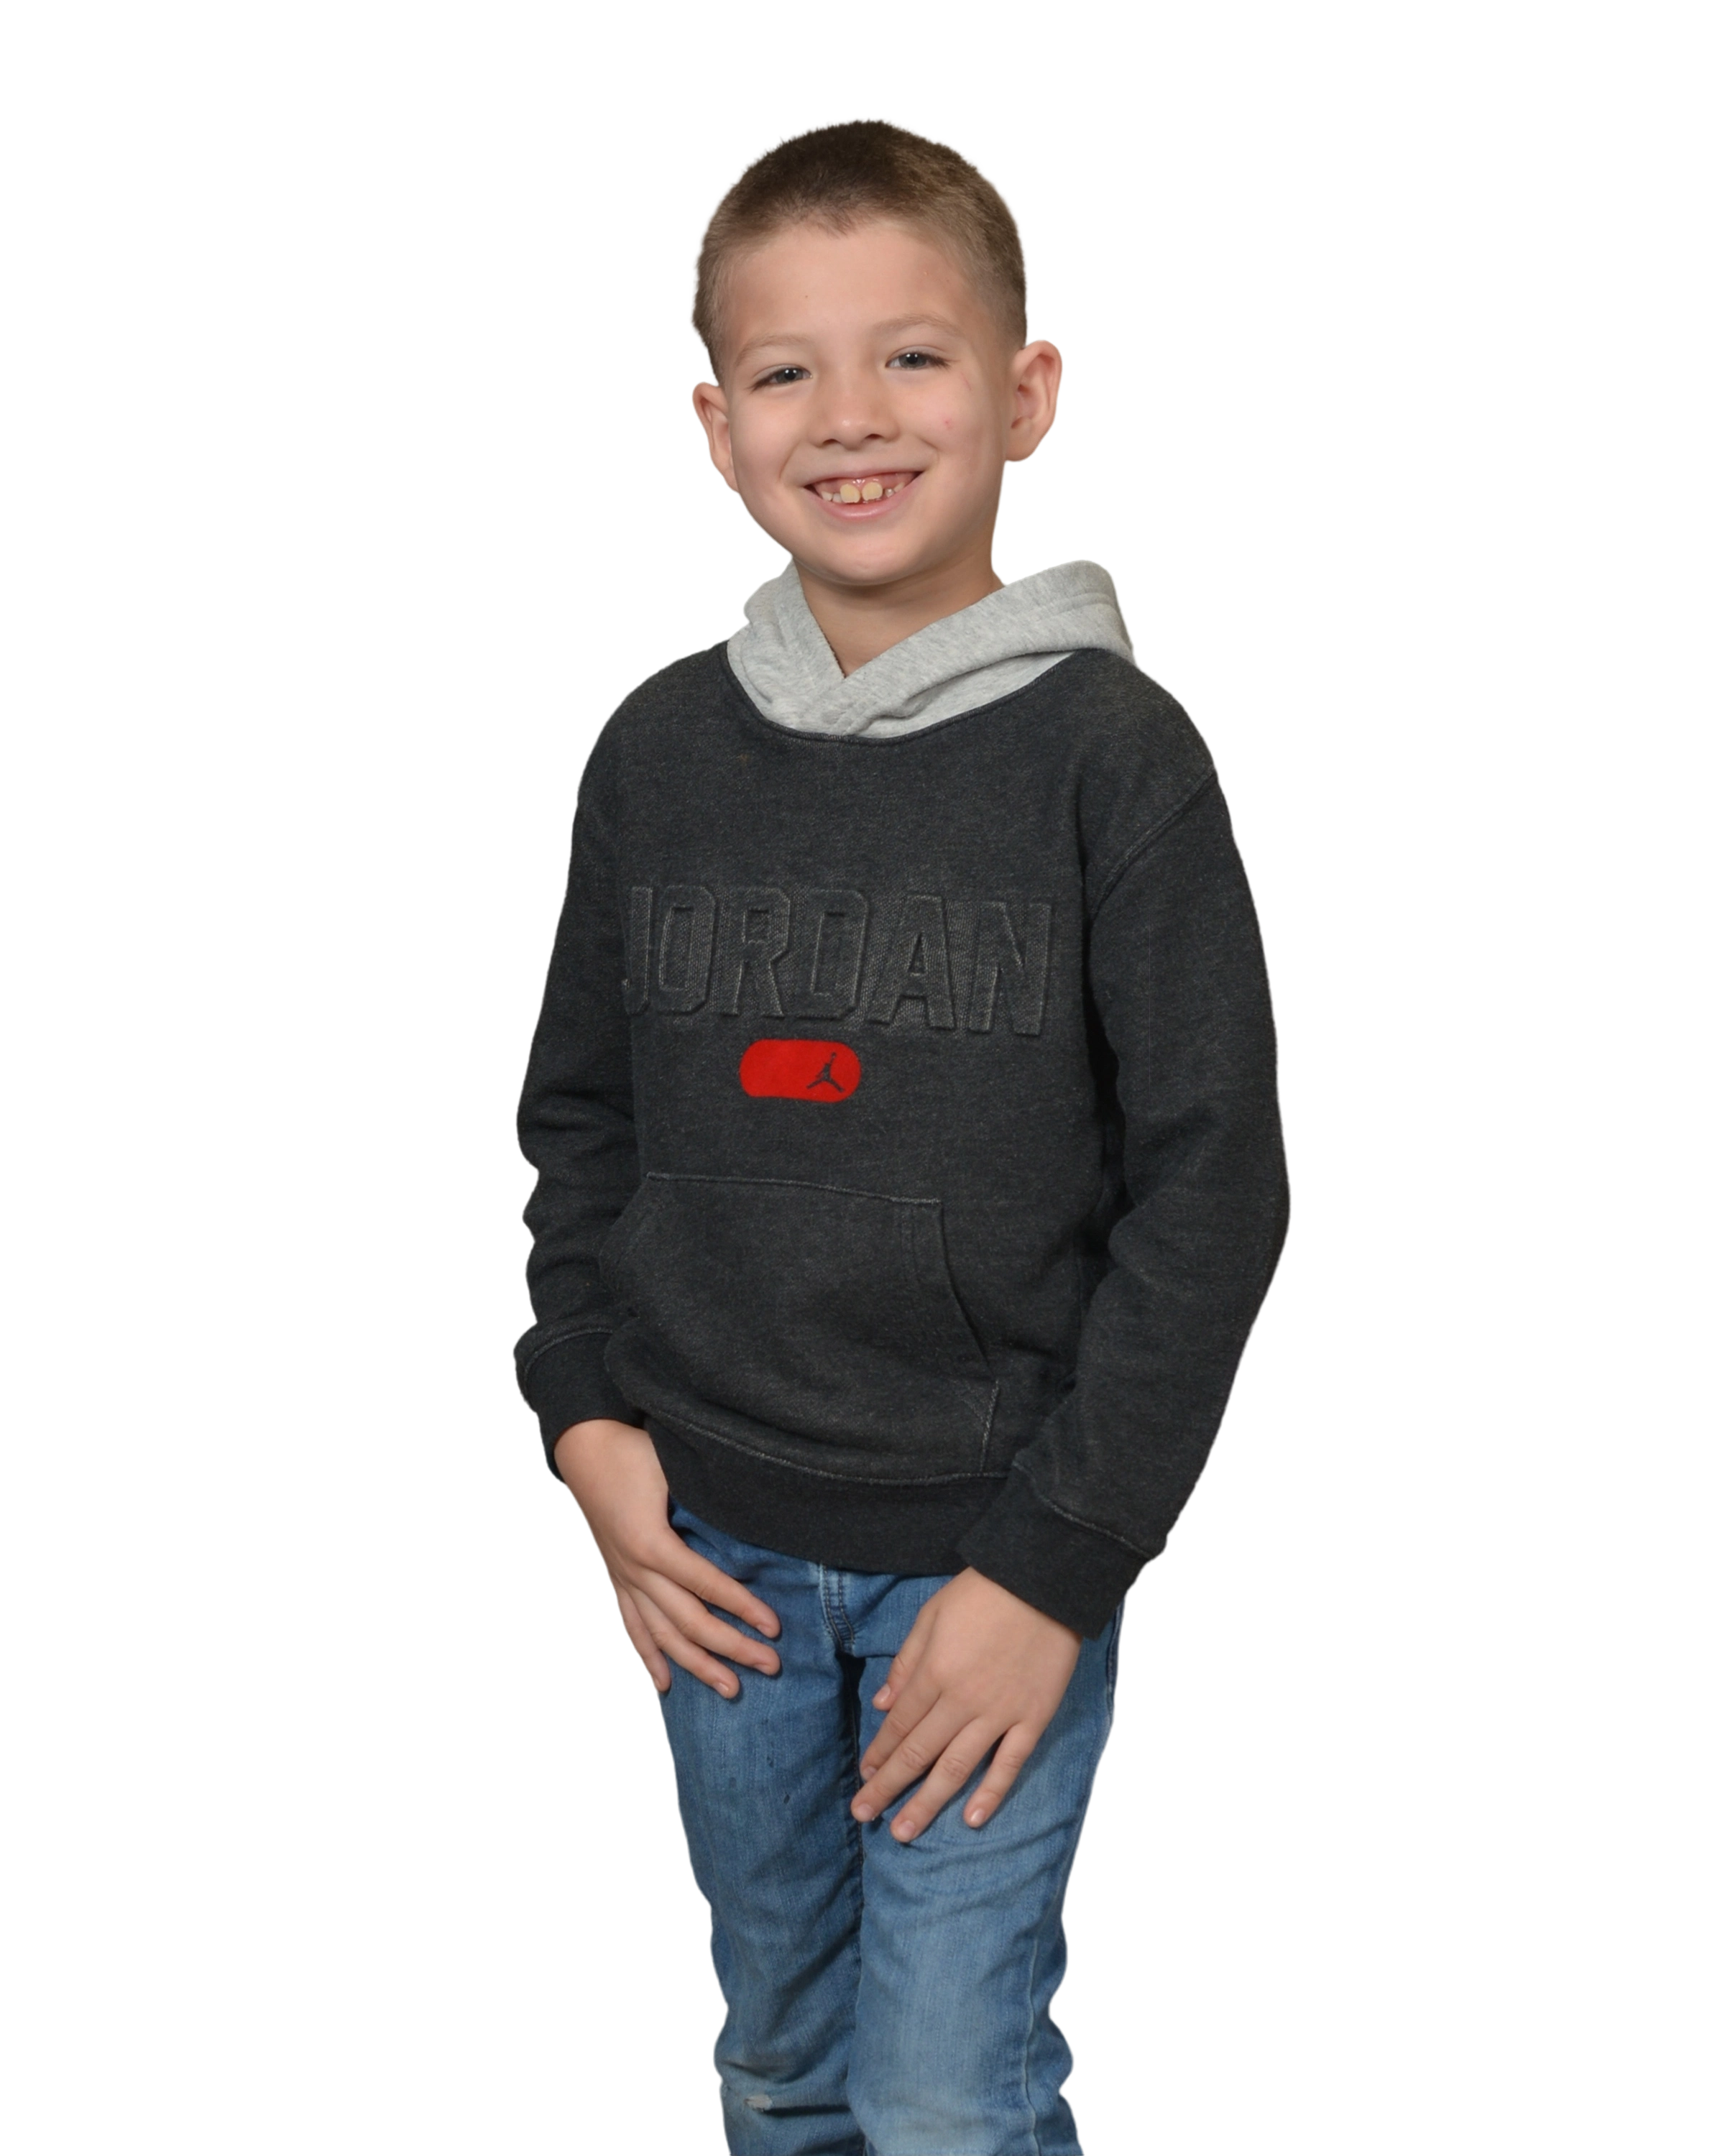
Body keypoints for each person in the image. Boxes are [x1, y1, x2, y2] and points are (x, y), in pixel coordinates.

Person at [512, 114, 1293, 2156]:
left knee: (946, 2096)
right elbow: (578, 1122)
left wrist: (1053, 1569)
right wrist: (585, 1422)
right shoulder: (654, 750)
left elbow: (1215, 1192)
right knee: (782, 2063)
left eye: (914, 355)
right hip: (711, 1563)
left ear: (1027, 393)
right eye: (789, 369)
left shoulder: (1118, 760)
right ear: (716, 426)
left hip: (990, 1554)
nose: (851, 414)